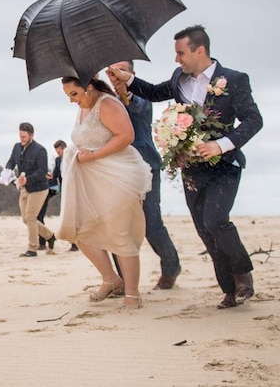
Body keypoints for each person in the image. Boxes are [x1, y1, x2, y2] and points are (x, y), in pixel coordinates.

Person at [108, 25, 263, 309]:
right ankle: (229, 290)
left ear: (199, 50)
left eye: (180, 53)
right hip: (191, 167)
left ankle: (243, 275)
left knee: (216, 220)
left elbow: (254, 121)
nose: (177, 59)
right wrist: (127, 78)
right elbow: (154, 92)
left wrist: (222, 144)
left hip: (225, 164)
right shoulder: (179, 78)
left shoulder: (235, 80)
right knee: (204, 229)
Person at [57, 77, 151, 309]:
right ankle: (111, 279)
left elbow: (126, 136)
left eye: (74, 94)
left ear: (88, 88)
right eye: (68, 96)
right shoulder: (84, 106)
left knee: (120, 234)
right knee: (80, 231)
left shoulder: (108, 104)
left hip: (116, 177)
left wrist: (93, 156)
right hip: (89, 180)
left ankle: (132, 293)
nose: (71, 100)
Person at [107, 60, 182, 290]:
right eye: (113, 71)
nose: (117, 75)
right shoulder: (107, 101)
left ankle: (171, 266)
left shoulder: (142, 95)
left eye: (123, 71)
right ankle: (123, 281)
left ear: (132, 73)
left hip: (146, 166)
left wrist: (124, 91)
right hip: (117, 171)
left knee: (151, 223)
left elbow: (136, 108)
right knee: (117, 226)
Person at [3, 122, 55, 257]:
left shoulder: (40, 150)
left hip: (39, 188)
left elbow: (42, 170)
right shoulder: (16, 147)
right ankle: (50, 236)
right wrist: (7, 172)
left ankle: (32, 248)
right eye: (20, 136)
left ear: (31, 135)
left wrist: (28, 179)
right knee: (25, 219)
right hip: (24, 188)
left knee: (31, 217)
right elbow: (11, 161)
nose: (22, 139)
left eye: (24, 137)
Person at [36, 140, 66, 250]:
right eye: (57, 152)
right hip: (56, 187)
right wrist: (49, 176)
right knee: (38, 214)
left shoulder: (71, 157)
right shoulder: (58, 160)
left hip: (65, 188)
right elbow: (56, 175)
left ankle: (74, 245)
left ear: (64, 148)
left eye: (59, 152)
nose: (58, 154)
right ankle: (42, 242)